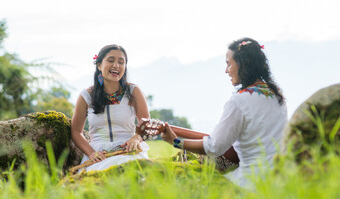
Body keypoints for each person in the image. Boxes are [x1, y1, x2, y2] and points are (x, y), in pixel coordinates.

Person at [161, 38, 288, 188]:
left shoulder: (239, 101)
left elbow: (215, 147)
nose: (226, 70)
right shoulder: (277, 95)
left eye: (229, 64)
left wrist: (175, 141)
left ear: (243, 64)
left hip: (250, 182)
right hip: (280, 180)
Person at [71, 44, 150, 172]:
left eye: (121, 62)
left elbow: (146, 125)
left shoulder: (134, 91)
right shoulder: (86, 95)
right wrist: (91, 153)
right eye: (111, 60)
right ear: (99, 65)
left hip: (128, 151)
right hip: (98, 155)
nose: (116, 66)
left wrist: (136, 138)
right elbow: (76, 131)